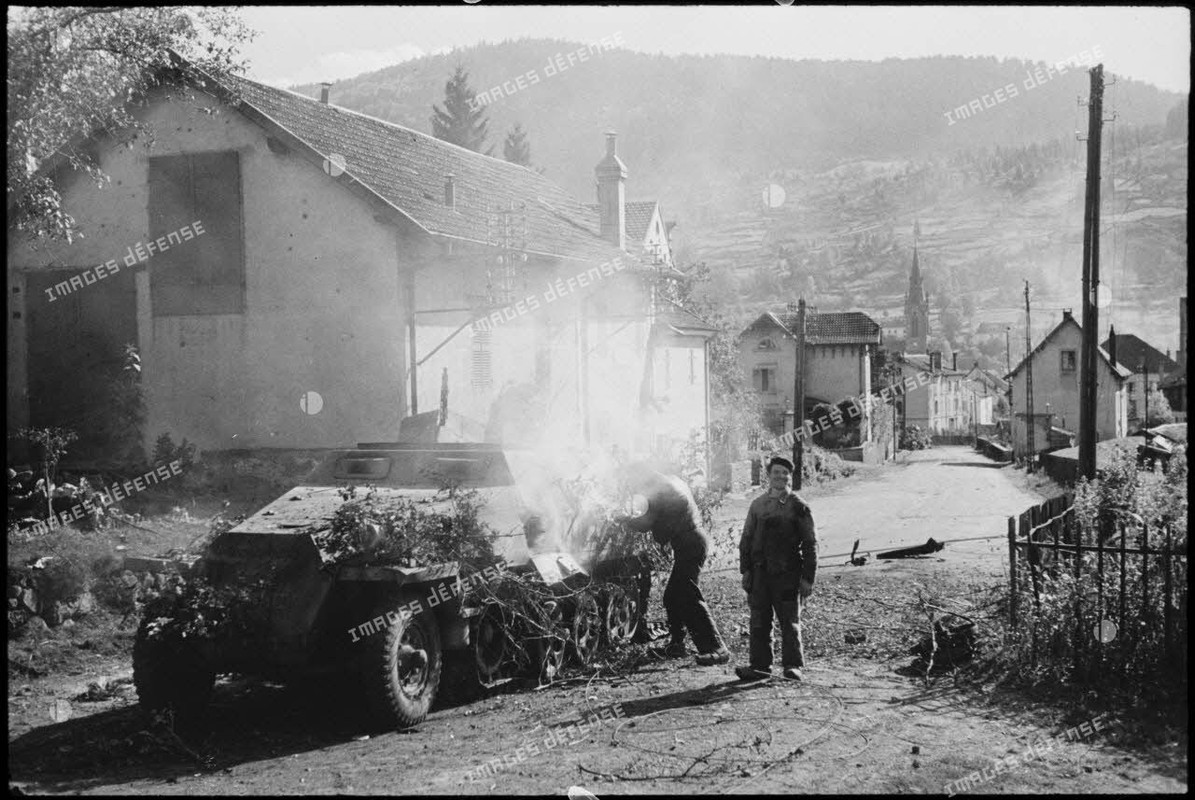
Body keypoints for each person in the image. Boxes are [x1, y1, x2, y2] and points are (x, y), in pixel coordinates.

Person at [617, 462, 729, 665]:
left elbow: (645, 524)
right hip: (692, 541)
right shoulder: (671, 481)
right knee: (671, 596)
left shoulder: (659, 489)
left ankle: (717, 648)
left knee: (688, 594)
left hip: (690, 543)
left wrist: (623, 519)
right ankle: (677, 645)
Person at [736, 456, 818, 681]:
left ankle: (793, 666)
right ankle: (759, 666)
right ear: (768, 476)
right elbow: (747, 539)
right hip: (760, 574)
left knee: (790, 622)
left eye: (785, 473)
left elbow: (810, 544)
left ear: (790, 477)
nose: (780, 477)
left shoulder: (798, 506)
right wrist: (746, 570)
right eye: (776, 472)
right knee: (759, 621)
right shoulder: (758, 505)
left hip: (787, 574)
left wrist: (807, 579)